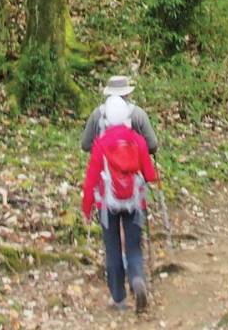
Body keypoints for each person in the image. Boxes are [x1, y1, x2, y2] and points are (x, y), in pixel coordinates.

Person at [82, 96, 159, 312]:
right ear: (126, 116)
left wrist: (86, 208)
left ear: (105, 118)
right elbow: (149, 174)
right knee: (134, 246)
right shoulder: (138, 140)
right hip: (135, 201)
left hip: (107, 204)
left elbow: (90, 180)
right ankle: (137, 280)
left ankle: (119, 299)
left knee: (113, 248)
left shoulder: (100, 144)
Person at [82, 75, 160, 154]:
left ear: (109, 94)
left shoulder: (97, 114)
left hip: (103, 164)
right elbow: (152, 145)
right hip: (133, 164)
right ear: (127, 94)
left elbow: (85, 145)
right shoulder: (138, 114)